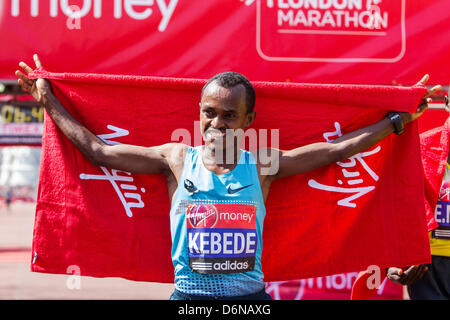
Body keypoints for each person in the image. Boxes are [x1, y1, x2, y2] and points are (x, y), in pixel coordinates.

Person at [15, 54, 440, 300]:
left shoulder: (263, 165)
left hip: (249, 301)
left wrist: (399, 119)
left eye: (229, 115)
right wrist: (48, 99)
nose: (217, 123)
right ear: (198, 113)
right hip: (189, 301)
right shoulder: (177, 158)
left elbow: (338, 149)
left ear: (249, 120)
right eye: (209, 113)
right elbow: (97, 150)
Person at [386, 102, 450, 300]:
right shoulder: (420, 148)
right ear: (447, 103)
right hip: (428, 268)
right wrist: (392, 261)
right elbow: (396, 208)